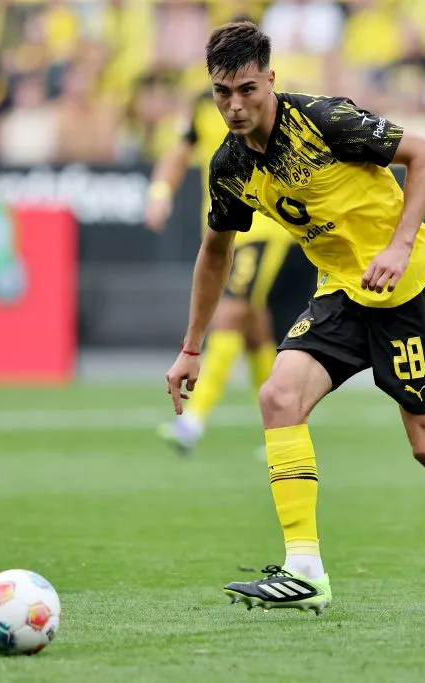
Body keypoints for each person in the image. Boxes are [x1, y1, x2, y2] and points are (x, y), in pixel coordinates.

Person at [164, 21, 425, 614]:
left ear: (270, 80)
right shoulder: (229, 165)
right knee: (279, 396)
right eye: (222, 93)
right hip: (343, 293)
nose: (235, 106)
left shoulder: (323, 120)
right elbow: (215, 252)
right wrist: (191, 347)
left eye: (247, 89)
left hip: (408, 287)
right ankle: (305, 570)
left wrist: (400, 245)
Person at [146, 86, 301, 454]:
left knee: (231, 313)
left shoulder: (269, 99)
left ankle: (192, 422)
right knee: (254, 329)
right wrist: (159, 194)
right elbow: (179, 151)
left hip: (262, 227)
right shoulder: (204, 103)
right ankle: (283, 430)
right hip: (226, 229)